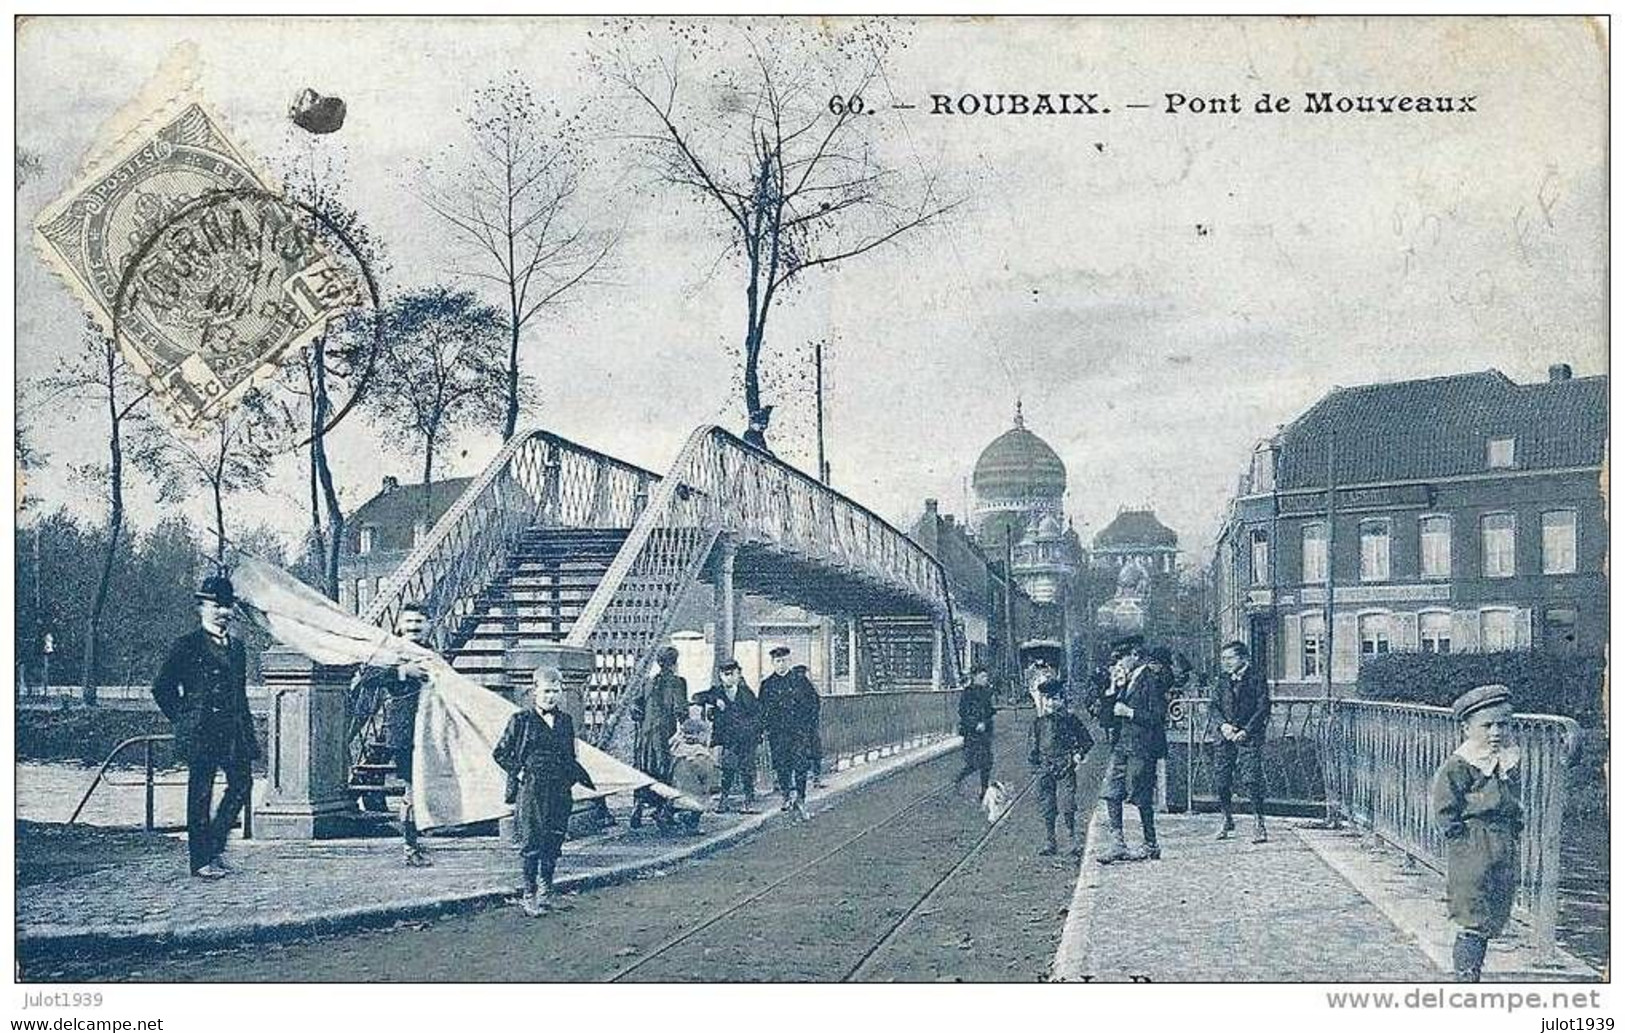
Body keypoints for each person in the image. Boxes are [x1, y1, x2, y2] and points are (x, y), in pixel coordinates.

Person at [152, 573, 260, 879]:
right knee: (200, 795)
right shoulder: (186, 645)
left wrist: (248, 733)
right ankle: (201, 860)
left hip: (233, 731)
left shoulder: (237, 648)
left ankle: (214, 844)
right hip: (201, 732)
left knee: (242, 785)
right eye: (216, 606)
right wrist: (185, 720)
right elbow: (162, 688)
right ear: (201, 607)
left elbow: (239, 694)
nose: (223, 612)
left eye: (227, 606)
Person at [1432, 684, 1524, 982]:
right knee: (1472, 911)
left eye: (1503, 724)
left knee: (1496, 908)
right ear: (1466, 728)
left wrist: (1516, 829)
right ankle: (1466, 977)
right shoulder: (1461, 764)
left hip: (1503, 842)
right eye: (1487, 725)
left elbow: (1513, 800)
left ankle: (1474, 968)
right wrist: (1461, 841)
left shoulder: (1507, 760)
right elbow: (1445, 807)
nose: (1496, 732)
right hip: (1474, 844)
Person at [493, 667, 596, 916]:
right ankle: (528, 895)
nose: (551, 696)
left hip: (559, 789)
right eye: (546, 691)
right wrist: (520, 773)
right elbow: (500, 753)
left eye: (555, 691)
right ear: (535, 691)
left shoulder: (565, 720)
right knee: (532, 840)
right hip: (533, 789)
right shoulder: (521, 720)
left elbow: (571, 755)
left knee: (554, 838)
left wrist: (572, 779)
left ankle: (545, 891)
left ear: (561, 692)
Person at [351, 602, 436, 866]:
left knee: (426, 785)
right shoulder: (391, 651)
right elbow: (368, 677)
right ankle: (410, 846)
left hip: (432, 728)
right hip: (403, 727)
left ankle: (419, 838)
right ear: (399, 625)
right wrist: (401, 672)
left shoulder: (434, 653)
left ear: (428, 626)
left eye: (419, 622)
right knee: (411, 787)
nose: (413, 627)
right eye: (408, 622)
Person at [1097, 637, 1167, 864]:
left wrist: (1130, 712)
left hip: (1142, 746)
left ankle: (1150, 843)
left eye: (1121, 659)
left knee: (1141, 794)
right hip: (1121, 745)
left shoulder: (1152, 680)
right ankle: (1118, 843)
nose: (1117, 664)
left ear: (1135, 657)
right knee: (1111, 791)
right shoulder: (1123, 681)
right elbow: (1106, 721)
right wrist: (1111, 690)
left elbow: (1158, 717)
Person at [1212, 640, 1271, 843]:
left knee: (1251, 779)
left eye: (1230, 658)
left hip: (1249, 736)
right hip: (1225, 736)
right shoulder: (1221, 679)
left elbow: (1263, 708)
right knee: (1221, 780)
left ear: (1243, 658)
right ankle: (1226, 819)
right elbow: (1214, 706)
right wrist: (1223, 726)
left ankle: (1258, 823)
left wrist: (1246, 731)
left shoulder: (1256, 678)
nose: (1225, 662)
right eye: (1224, 659)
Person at [1028, 678, 1094, 856]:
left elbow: (1087, 741)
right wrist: (1036, 765)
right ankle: (1050, 841)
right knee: (1047, 805)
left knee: (1068, 803)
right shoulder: (1039, 722)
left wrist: (1078, 754)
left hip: (1065, 765)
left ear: (1062, 700)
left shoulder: (1071, 720)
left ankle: (1072, 840)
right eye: (1047, 699)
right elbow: (1034, 747)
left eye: (1055, 698)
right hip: (1045, 766)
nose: (1051, 703)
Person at [629, 645, 686, 830]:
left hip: (645, 736)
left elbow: (636, 706)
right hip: (663, 735)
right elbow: (680, 710)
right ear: (675, 663)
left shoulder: (648, 682)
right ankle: (663, 812)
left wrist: (641, 717)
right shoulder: (678, 682)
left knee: (643, 769)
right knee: (665, 770)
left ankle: (638, 806)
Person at [760, 645, 819, 820]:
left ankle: (800, 798)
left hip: (799, 731)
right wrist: (766, 728)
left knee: (800, 765)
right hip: (778, 733)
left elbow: (814, 703)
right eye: (778, 661)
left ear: (789, 661)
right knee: (781, 765)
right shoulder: (767, 685)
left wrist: (809, 726)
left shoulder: (800, 681)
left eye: (784, 660)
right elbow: (761, 709)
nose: (781, 664)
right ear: (772, 663)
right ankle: (786, 795)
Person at [698, 659, 763, 813]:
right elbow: (697, 697)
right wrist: (715, 700)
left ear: (738, 675)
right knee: (728, 769)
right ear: (720, 676)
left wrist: (753, 731)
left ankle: (748, 801)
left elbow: (757, 714)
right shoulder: (717, 692)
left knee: (747, 769)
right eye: (725, 675)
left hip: (746, 738)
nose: (728, 677)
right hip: (728, 740)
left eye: (731, 674)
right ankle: (724, 799)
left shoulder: (746, 693)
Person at [666, 703, 717, 833]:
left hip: (677, 785)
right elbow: (705, 771)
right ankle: (691, 825)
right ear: (699, 735)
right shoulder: (700, 752)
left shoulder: (677, 748)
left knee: (678, 802)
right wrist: (709, 785)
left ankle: (668, 814)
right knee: (699, 803)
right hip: (694, 787)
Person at [954, 665, 996, 797]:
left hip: (985, 733)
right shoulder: (968, 692)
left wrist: (991, 714)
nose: (986, 679)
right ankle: (959, 780)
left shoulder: (986, 692)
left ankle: (984, 790)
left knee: (986, 762)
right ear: (975, 677)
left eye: (986, 677)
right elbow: (963, 712)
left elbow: (988, 710)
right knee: (973, 763)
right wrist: (975, 724)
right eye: (983, 676)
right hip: (972, 733)